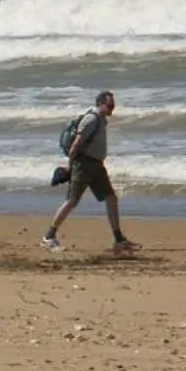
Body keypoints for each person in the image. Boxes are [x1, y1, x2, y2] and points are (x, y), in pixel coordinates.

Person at [44, 89, 134, 255]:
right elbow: (76, 145)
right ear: (100, 104)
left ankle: (119, 239)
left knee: (111, 198)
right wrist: (70, 167)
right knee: (72, 201)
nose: (112, 108)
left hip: (96, 165)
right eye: (110, 105)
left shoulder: (100, 119)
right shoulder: (91, 119)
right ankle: (49, 236)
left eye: (113, 105)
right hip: (84, 164)